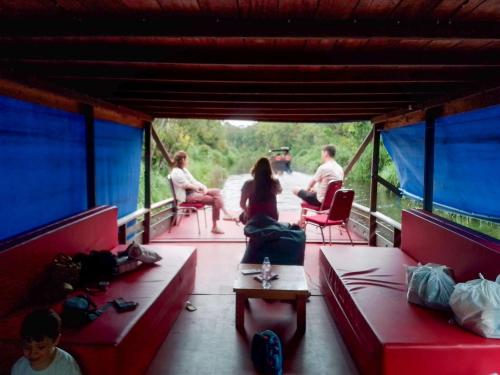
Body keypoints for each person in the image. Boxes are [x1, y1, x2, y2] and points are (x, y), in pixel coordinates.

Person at [170, 150, 234, 234]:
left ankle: (226, 213)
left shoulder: (184, 170)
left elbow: (193, 180)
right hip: (188, 196)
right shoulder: (176, 173)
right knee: (214, 200)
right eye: (187, 159)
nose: (187, 161)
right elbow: (186, 185)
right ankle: (215, 226)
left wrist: (203, 187)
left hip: (195, 192)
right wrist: (198, 189)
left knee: (217, 191)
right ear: (182, 160)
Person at [11, 308, 81, 375]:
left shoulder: (67, 366)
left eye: (41, 347)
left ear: (56, 340)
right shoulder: (19, 368)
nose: (32, 354)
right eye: (27, 347)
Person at [292, 144, 344, 208]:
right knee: (313, 190)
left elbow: (311, 184)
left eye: (322, 153)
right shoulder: (340, 168)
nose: (321, 155)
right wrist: (314, 190)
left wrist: (307, 191)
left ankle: (304, 216)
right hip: (333, 201)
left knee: (295, 189)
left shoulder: (323, 167)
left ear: (326, 153)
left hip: (321, 202)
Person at [240, 157, 282, 223]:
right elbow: (280, 191)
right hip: (272, 217)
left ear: (255, 169)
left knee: (241, 216)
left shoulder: (248, 184)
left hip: (253, 217)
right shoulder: (275, 182)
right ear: (269, 170)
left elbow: (242, 204)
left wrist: (247, 210)